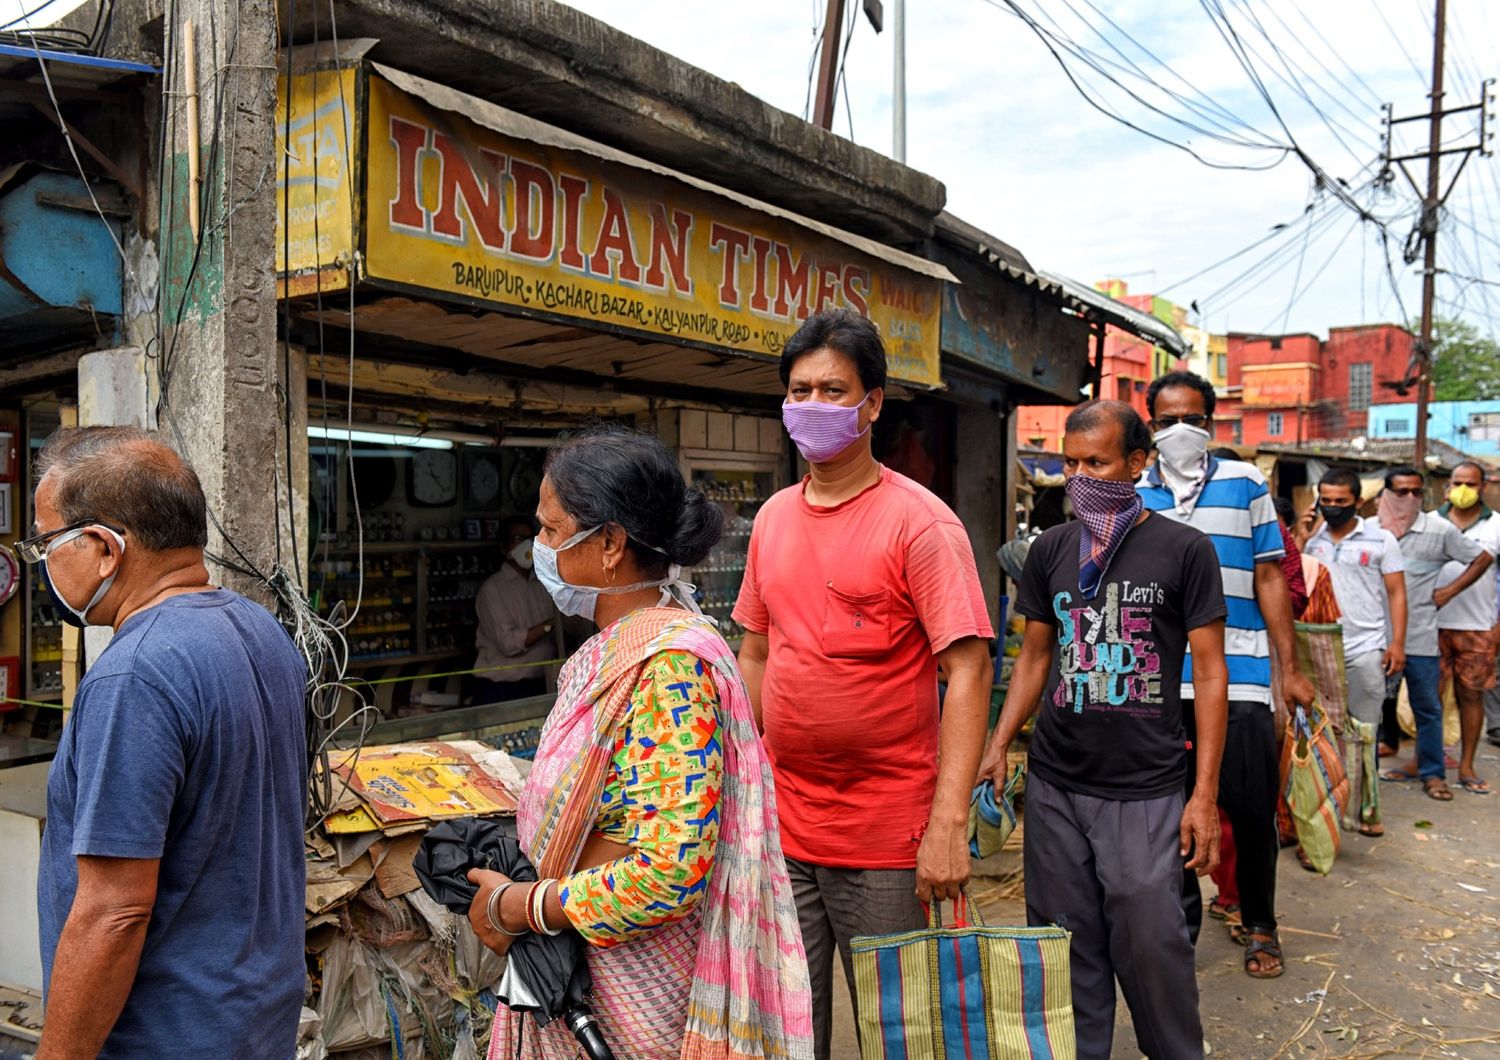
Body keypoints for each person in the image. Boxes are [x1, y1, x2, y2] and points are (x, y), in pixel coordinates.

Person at [465, 427, 813, 1059]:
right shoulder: (608, 650)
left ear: (608, 544)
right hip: (593, 974)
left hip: (640, 1002)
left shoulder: (669, 670)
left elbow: (669, 869)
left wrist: (529, 905)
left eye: (549, 530)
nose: (538, 547)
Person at [733, 309, 994, 1058]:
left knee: (900, 1033)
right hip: (786, 830)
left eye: (832, 390)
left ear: (873, 403)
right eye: (799, 391)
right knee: (786, 1024)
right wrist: (755, 779)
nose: (812, 407)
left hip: (886, 840)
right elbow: (755, 650)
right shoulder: (774, 519)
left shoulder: (921, 526)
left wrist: (947, 823)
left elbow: (968, 668)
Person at [27, 427, 307, 1058]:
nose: (42, 562)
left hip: (167, 1033)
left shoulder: (135, 674)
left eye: (46, 543)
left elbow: (114, 913)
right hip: (257, 1016)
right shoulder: (259, 629)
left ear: (103, 548)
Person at [980, 399, 1228, 1060]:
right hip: (1059, 783)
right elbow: (1034, 656)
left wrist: (1203, 794)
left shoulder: (1184, 550)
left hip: (1146, 787)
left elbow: (1208, 674)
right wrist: (1000, 743)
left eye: (1098, 462)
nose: (1082, 476)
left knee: (1153, 944)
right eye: (1071, 462)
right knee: (1062, 947)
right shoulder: (1052, 551)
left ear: (1138, 464)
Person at [1136, 371, 1315, 980]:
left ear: (1211, 423)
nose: (1179, 429)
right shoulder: (1134, 490)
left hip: (1238, 673)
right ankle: (1180, 923)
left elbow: (1269, 576)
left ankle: (1259, 922)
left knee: (1248, 803)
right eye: (1166, 420)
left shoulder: (1244, 482)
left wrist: (1289, 669)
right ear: (1150, 425)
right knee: (1167, 809)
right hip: (1158, 680)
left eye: (1191, 417)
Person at [1373, 466, 1492, 800]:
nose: (1410, 498)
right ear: (1386, 494)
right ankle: (1365, 778)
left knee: (1428, 708)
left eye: (1416, 492)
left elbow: (1481, 559)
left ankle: (1433, 774)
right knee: (1371, 710)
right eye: (1401, 492)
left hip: (1421, 638)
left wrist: (1449, 591)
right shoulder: (1369, 529)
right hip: (1375, 640)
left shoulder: (1439, 529)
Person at [1300, 467, 1407, 832]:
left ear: (1358, 502)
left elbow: (1396, 593)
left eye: (1340, 502)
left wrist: (1397, 643)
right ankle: (1328, 810)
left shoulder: (1382, 540)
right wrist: (1302, 537)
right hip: (1321, 648)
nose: (1332, 507)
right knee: (1324, 734)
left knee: (1364, 733)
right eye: (1325, 501)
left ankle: (1367, 811)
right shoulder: (1314, 542)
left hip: (1365, 648)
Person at [1433, 461, 1500, 794]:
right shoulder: (1431, 521)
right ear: (1447, 485)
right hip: (1432, 625)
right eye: (1458, 482)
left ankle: (1467, 764)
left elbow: (1492, 570)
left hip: (1477, 625)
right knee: (1429, 698)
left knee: (1470, 697)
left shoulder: (1496, 525)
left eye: (1470, 484)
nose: (1463, 490)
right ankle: (1427, 760)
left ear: (1483, 486)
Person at [473, 514, 558, 702]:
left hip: (541, 684)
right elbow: (508, 644)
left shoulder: (544, 583)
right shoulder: (492, 590)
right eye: (518, 539)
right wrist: (552, 624)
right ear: (504, 547)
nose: (526, 545)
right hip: (502, 690)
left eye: (530, 538)